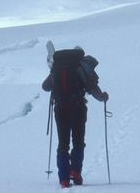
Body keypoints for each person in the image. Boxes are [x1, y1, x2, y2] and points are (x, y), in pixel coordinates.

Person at [42, 46, 109, 188]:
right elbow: (92, 88)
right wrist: (103, 97)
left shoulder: (58, 68)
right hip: (78, 108)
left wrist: (53, 73)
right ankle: (75, 172)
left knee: (63, 144)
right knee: (78, 141)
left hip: (61, 109)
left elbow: (45, 86)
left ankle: (64, 179)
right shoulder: (81, 66)